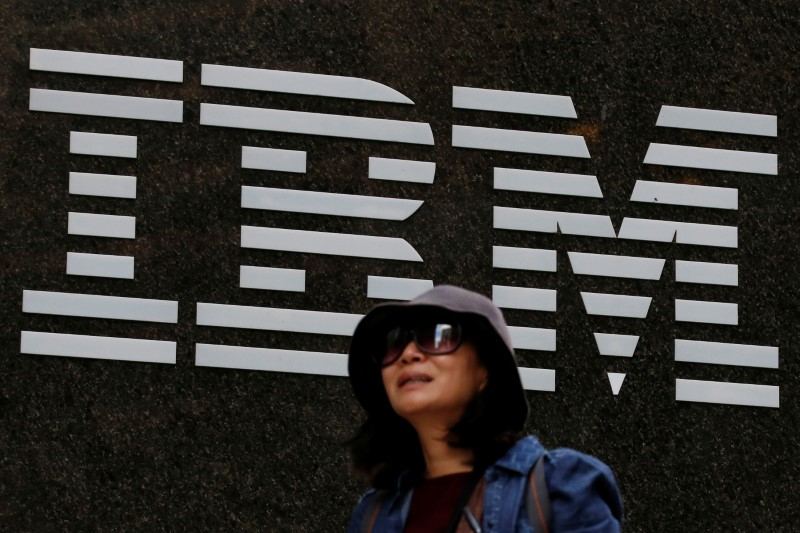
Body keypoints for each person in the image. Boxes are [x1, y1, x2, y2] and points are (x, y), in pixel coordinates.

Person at [345, 284, 622, 532]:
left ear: (486, 370)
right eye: (393, 343)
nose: (408, 354)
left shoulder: (560, 486)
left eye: (437, 336)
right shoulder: (373, 515)